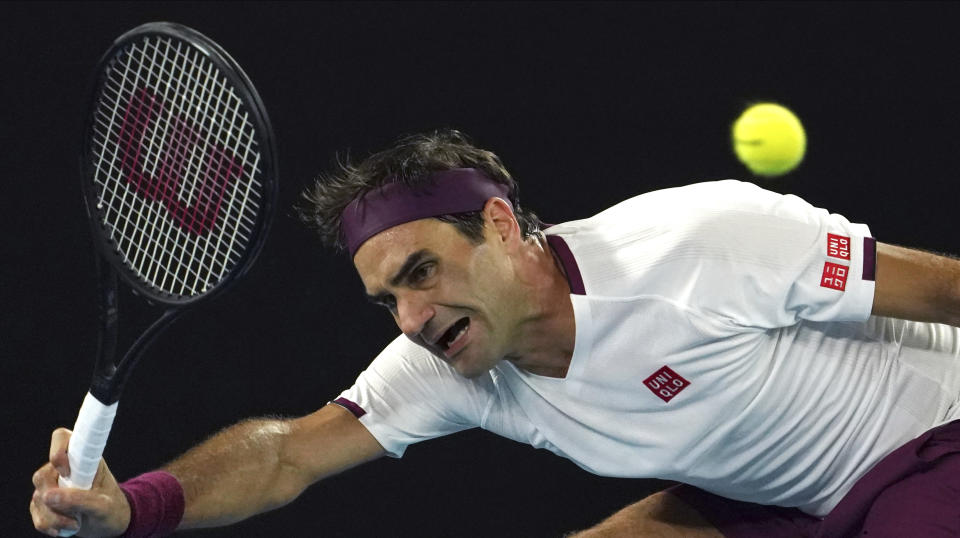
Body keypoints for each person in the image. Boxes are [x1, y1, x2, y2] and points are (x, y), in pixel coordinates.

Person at [31, 130, 960, 537]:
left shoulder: (702, 242)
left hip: (932, 445)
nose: (411, 320)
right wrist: (134, 504)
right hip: (772, 501)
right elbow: (287, 455)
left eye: (422, 273)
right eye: (386, 299)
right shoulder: (448, 358)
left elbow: (947, 292)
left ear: (506, 228)